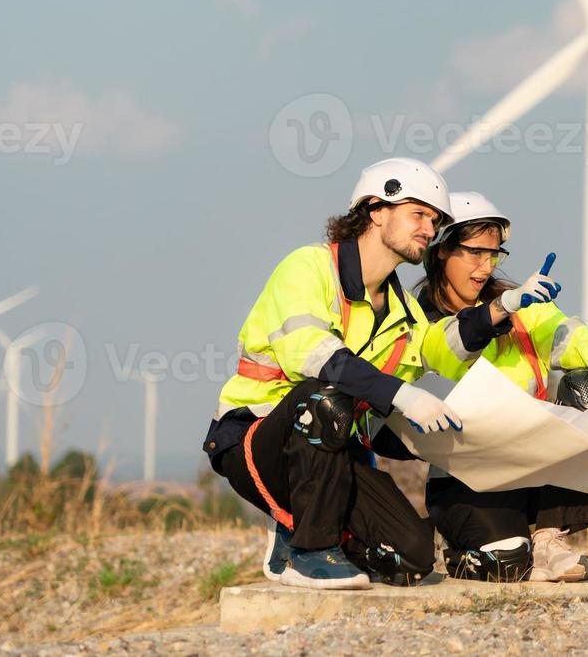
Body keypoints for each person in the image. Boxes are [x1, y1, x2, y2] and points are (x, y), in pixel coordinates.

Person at [200, 159, 549, 589]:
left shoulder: (403, 310)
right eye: (418, 214)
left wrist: (500, 309)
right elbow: (313, 354)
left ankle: (308, 527)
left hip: (333, 454)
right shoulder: (307, 267)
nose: (429, 228)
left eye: (435, 220)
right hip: (258, 436)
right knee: (326, 395)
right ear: (375, 210)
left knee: (412, 559)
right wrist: (401, 394)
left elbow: (442, 347)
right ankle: (307, 550)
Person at [415, 191, 588, 583]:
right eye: (475, 253)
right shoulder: (418, 317)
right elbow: (448, 349)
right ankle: (469, 550)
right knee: (508, 566)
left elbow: (579, 339)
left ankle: (551, 535)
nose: (486, 267)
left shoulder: (524, 308)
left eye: (494, 254)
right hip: (466, 477)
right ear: (441, 251)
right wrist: (501, 309)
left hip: (528, 467)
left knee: (583, 383)